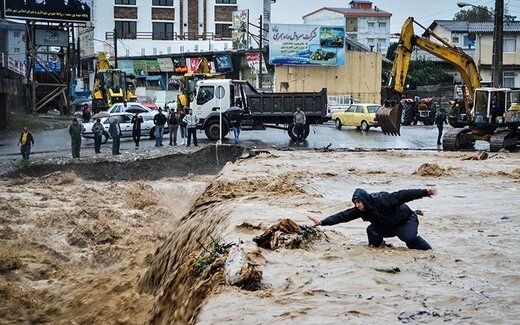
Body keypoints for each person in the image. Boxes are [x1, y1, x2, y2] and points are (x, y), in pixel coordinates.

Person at [308, 187, 438, 250]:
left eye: (359, 202)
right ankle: (377, 248)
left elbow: (404, 195)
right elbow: (343, 216)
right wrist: (322, 222)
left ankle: (429, 252)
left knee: (408, 238)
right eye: (355, 203)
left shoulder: (383, 199)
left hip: (406, 221)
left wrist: (425, 192)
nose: (357, 205)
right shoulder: (360, 210)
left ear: (365, 200)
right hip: (388, 226)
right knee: (372, 230)